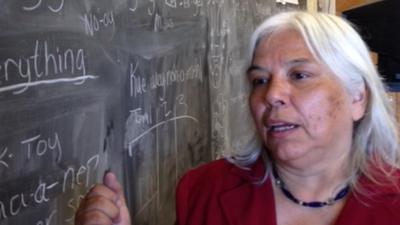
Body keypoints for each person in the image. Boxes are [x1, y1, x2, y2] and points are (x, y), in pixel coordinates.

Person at [75, 11, 400, 225]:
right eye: (259, 80)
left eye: (299, 75)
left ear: (358, 97)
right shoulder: (203, 191)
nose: (272, 95)